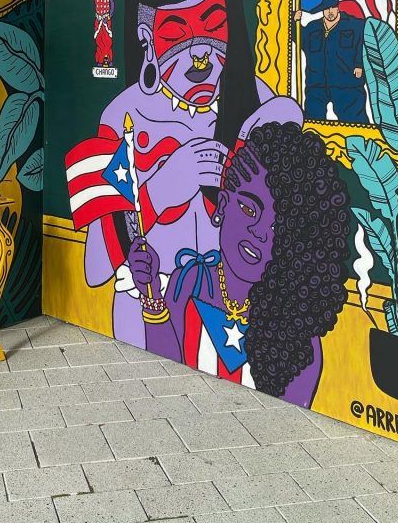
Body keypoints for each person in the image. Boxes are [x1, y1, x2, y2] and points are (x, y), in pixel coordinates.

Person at [69, 0, 303, 349]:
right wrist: (161, 189)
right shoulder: (121, 117)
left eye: (213, 26)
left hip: (236, 317)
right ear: (146, 38)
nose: (201, 57)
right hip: (147, 313)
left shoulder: (260, 103)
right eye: (177, 34)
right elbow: (96, 267)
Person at [126, 121, 351, 407]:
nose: (260, 232)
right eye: (248, 209)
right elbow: (165, 363)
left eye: (280, 227)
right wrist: (151, 293)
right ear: (222, 205)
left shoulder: (297, 333)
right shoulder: (190, 281)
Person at [295, 0, 367, 123]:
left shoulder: (355, 25)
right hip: (317, 84)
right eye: (326, 8)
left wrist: (359, 64)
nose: (330, 11)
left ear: (338, 7)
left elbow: (364, 42)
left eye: (333, 7)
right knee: (312, 123)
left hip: (347, 84)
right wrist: (293, 21)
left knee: (355, 122)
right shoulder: (313, 28)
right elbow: (299, 38)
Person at [83, 0, 115, 67]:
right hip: (98, 19)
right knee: (99, 40)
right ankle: (100, 60)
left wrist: (109, 16)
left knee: (108, 41)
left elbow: (112, 5)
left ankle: (109, 60)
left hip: (106, 20)